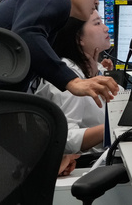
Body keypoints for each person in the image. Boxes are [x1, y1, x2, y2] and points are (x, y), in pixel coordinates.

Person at [35, 11, 114, 158]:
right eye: (97, 23)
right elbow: (65, 138)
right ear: (79, 38)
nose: (106, 28)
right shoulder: (68, 79)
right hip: (83, 164)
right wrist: (111, 129)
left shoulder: (92, 69)